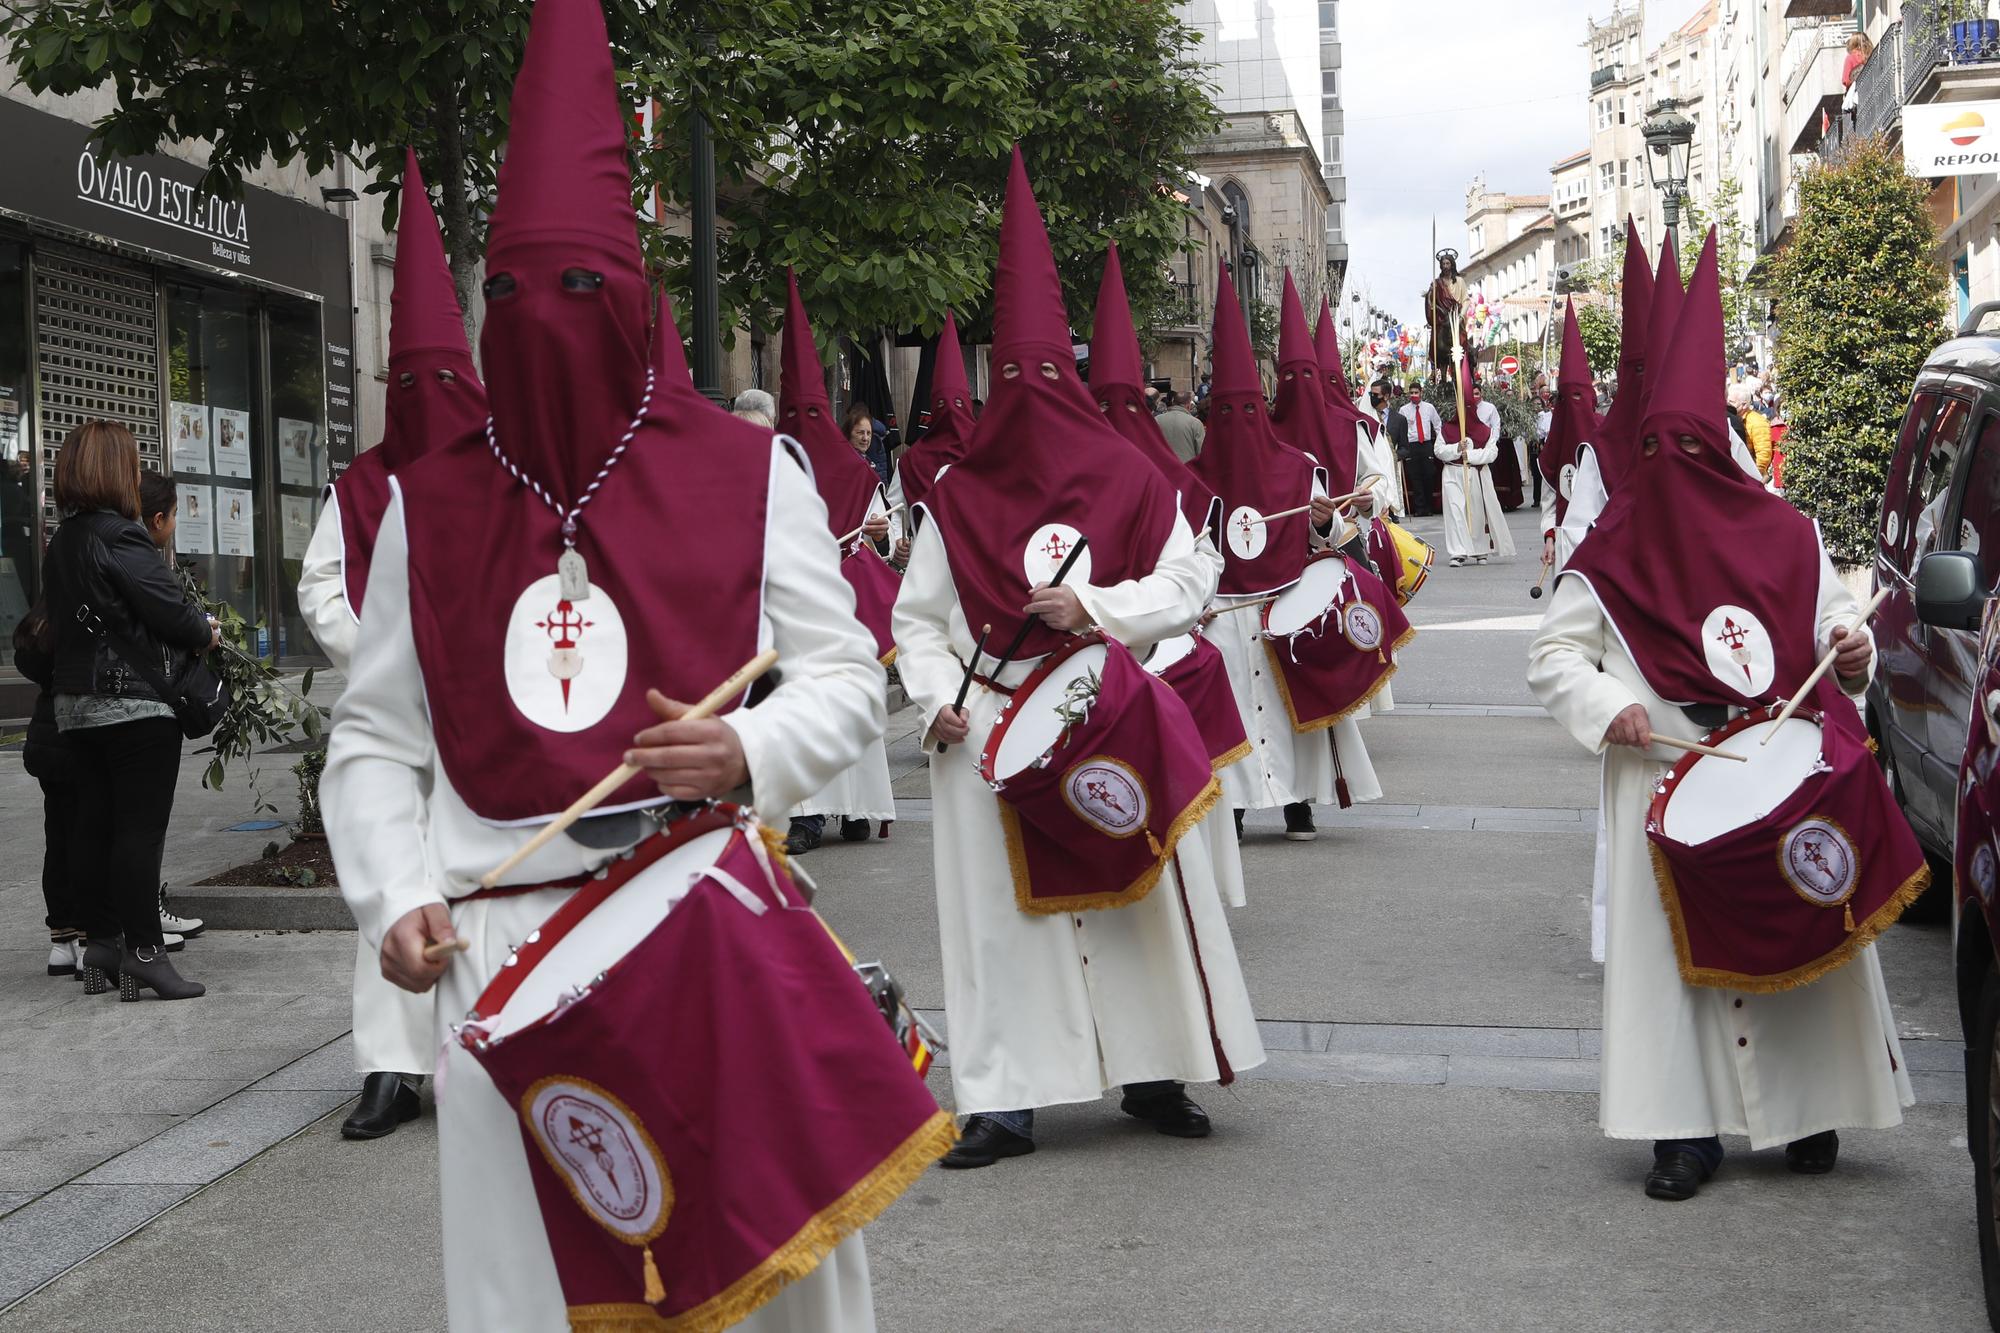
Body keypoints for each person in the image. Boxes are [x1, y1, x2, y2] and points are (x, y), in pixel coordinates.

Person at [321, 0, 897, 1323]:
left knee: (753, 1280)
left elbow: (847, 676)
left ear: (632, 301)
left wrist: (749, 746)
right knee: (537, 1290)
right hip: (503, 950)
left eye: (579, 290)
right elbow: (373, 738)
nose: (542, 321)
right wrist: (392, 890)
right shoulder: (431, 501)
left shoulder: (749, 471)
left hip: (699, 914)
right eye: (509, 295)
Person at [895, 149, 1263, 1170]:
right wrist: (932, 701)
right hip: (987, 730)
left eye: (1040, 375)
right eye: (1005, 376)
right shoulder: (959, 497)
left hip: (1103, 711)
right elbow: (916, 620)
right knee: (998, 925)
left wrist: (1093, 606)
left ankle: (1155, 1070)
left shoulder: (1132, 480)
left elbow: (1193, 583)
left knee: (1140, 890)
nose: (1024, 394)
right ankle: (1005, 1097)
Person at [1528, 232, 1910, 1202]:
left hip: (1761, 772)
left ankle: (1803, 1106)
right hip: (1655, 770)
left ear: (1722, 442)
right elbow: (1550, 654)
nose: (1672, 464)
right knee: (1670, 962)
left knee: (1788, 915)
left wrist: (1849, 648)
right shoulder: (1609, 548)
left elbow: (1824, 619)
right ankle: (1679, 1130)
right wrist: (1608, 702)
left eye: (1690, 445)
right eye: (1654, 447)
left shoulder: (1784, 532)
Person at [298, 150, 487, 1143]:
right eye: (404, 380)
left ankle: (472, 1047)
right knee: (389, 874)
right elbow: (319, 585)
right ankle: (387, 1063)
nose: (420, 394)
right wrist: (380, 651)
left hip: (486, 718)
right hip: (394, 712)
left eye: (437, 378)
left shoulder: (501, 471)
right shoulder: (359, 485)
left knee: (476, 877)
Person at [1193, 263, 1382, 843]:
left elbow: (1327, 538)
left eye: (1248, 410)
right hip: (1222, 614)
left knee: (1288, 710)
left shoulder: (1298, 469)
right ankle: (1236, 806)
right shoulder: (1193, 482)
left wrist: (1324, 524)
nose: (1240, 425)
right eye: (1227, 414)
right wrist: (1193, 603)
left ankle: (1300, 802)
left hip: (1283, 603)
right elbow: (1192, 550)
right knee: (1233, 714)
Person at [42, 422, 215, 1001]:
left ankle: (101, 947)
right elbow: (174, 616)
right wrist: (206, 632)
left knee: (92, 826)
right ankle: (145, 951)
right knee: (138, 834)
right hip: (134, 706)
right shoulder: (122, 536)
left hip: (75, 707)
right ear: (117, 471)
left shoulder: (62, 541)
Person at [779, 274, 899, 854]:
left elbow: (887, 529)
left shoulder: (854, 472)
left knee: (847, 699)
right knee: (800, 704)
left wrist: (874, 533)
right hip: (787, 608)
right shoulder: (765, 466)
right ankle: (807, 816)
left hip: (843, 604)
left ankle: (855, 811)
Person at [15, 598, 87, 976]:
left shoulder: (42, 620)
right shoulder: (82, 611)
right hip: (80, 736)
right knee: (89, 838)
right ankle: (92, 937)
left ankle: (62, 940)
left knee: (58, 838)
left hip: (47, 739)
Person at [1538, 300, 1603, 573]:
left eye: (1579, 396)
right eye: (1566, 398)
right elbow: (1549, 501)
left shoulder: (1607, 437)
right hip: (1565, 544)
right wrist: (1549, 538)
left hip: (1603, 542)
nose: (1574, 405)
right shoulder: (1555, 445)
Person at [1434, 364, 1515, 567]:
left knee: (1477, 513)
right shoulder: (1447, 429)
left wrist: (1468, 454)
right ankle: (1458, 552)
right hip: (1453, 473)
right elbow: (1438, 450)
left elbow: (1491, 452)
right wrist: (1456, 449)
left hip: (1476, 474)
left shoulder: (1484, 431)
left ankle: (1479, 550)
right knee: (1455, 512)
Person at [1397, 383, 1442, 517]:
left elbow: (1438, 425)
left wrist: (1440, 442)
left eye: (1416, 392)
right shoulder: (1404, 410)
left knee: (1428, 475)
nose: (1414, 395)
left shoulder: (1429, 408)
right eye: (1411, 393)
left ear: (1421, 392)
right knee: (1415, 477)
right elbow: (1401, 430)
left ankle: (1428, 508)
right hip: (1412, 446)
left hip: (1426, 445)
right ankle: (1419, 508)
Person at [1729, 379, 1774, 479]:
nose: (1728, 404)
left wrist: (1755, 476)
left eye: (1731, 402)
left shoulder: (1757, 422)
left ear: (1744, 404)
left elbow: (1763, 454)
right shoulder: (1734, 418)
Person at [1156, 388, 1206, 462]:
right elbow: (1201, 451)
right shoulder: (1195, 423)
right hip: (1187, 467)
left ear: (1173, 402)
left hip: (1162, 466)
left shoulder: (1157, 419)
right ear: (1189, 405)